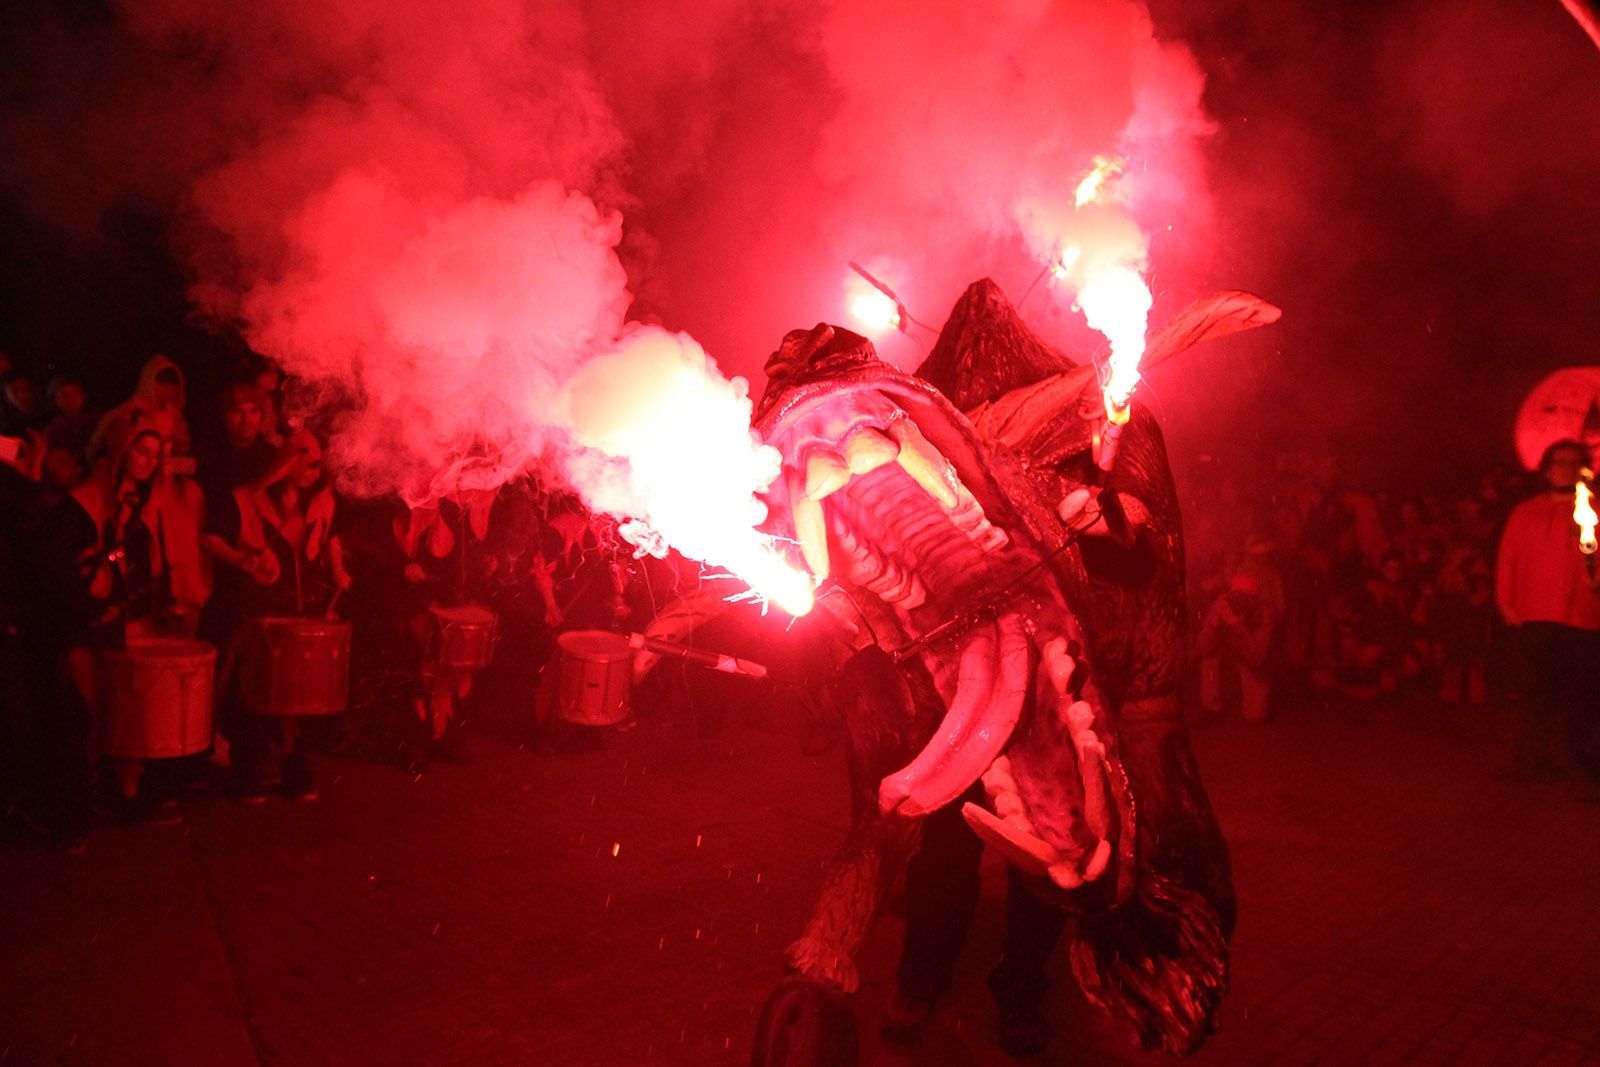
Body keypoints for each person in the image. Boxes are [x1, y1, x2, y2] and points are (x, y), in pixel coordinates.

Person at [27, 409, 181, 825]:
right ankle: (72, 806)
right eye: (142, 452)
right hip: (79, 628)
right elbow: (47, 564)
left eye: (156, 454)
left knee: (119, 713)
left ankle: (120, 794)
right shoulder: (82, 505)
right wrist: (90, 606)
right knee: (86, 713)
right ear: (121, 451)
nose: (150, 461)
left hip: (116, 626)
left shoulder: (139, 506)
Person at [1495, 440, 1600, 789]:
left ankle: (1578, 765)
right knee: (1536, 694)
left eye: (1573, 463)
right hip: (1535, 616)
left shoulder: (1592, 510)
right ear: (1546, 468)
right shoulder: (1526, 512)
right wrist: (1506, 602)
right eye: (1559, 461)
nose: (1565, 468)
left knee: (1580, 697)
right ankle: (1531, 761)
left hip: (1581, 618)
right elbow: (1508, 558)